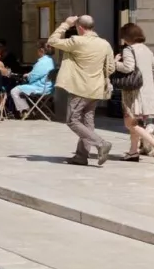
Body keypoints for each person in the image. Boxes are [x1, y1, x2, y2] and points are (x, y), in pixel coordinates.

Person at [47, 14, 115, 166]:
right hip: (96, 89)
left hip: (80, 88)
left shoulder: (76, 41)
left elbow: (52, 41)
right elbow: (111, 68)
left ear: (80, 27)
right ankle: (81, 156)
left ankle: (101, 143)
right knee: (87, 121)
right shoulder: (105, 44)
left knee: (72, 120)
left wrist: (65, 23)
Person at [115, 23, 154, 162]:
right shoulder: (146, 49)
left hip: (133, 93)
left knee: (130, 123)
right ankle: (133, 152)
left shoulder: (128, 50)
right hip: (147, 92)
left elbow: (127, 67)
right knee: (137, 123)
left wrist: (114, 63)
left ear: (126, 37)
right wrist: (146, 79)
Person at [9, 40, 57, 116]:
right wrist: (30, 74)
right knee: (20, 89)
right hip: (49, 87)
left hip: (40, 88)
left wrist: (28, 76)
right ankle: (28, 110)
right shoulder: (51, 60)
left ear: (41, 50)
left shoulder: (42, 62)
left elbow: (33, 77)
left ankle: (26, 110)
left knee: (14, 91)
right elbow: (40, 73)